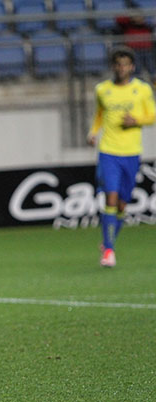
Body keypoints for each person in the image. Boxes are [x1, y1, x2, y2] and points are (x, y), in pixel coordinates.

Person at [87, 47, 155, 268]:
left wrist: (136, 120)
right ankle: (108, 250)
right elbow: (99, 114)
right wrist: (93, 131)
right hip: (108, 151)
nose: (122, 68)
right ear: (113, 67)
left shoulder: (142, 90)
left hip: (131, 153)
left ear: (132, 67)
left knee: (123, 205)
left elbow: (152, 115)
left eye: (126, 64)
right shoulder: (103, 90)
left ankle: (109, 239)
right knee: (111, 198)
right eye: (118, 64)